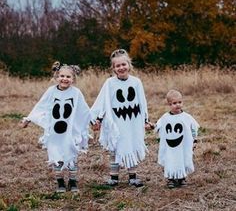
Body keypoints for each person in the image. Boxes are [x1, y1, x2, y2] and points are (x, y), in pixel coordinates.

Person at [19, 61, 91, 193]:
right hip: (54, 132)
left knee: (72, 155)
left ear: (73, 79)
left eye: (68, 77)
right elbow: (40, 107)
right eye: (62, 76)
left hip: (70, 131)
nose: (64, 79)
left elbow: (84, 110)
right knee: (56, 155)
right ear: (57, 76)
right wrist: (28, 119)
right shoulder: (50, 91)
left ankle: (73, 181)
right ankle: (60, 183)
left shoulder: (76, 93)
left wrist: (93, 121)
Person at [91, 49, 152, 187]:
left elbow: (142, 102)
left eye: (123, 64)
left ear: (129, 65)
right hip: (116, 122)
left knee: (132, 144)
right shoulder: (109, 83)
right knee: (115, 147)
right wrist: (98, 119)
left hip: (133, 121)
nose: (121, 68)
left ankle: (133, 177)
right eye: (117, 66)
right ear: (113, 68)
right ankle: (114, 177)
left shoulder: (136, 82)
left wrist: (145, 120)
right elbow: (103, 101)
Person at [154, 89, 199, 189]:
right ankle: (171, 178)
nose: (177, 105)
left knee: (182, 159)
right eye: (174, 103)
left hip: (183, 145)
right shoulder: (165, 117)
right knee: (171, 159)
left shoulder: (187, 117)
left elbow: (194, 129)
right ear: (169, 104)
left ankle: (181, 178)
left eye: (180, 102)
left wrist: (194, 140)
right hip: (170, 146)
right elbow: (158, 126)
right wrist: (152, 126)